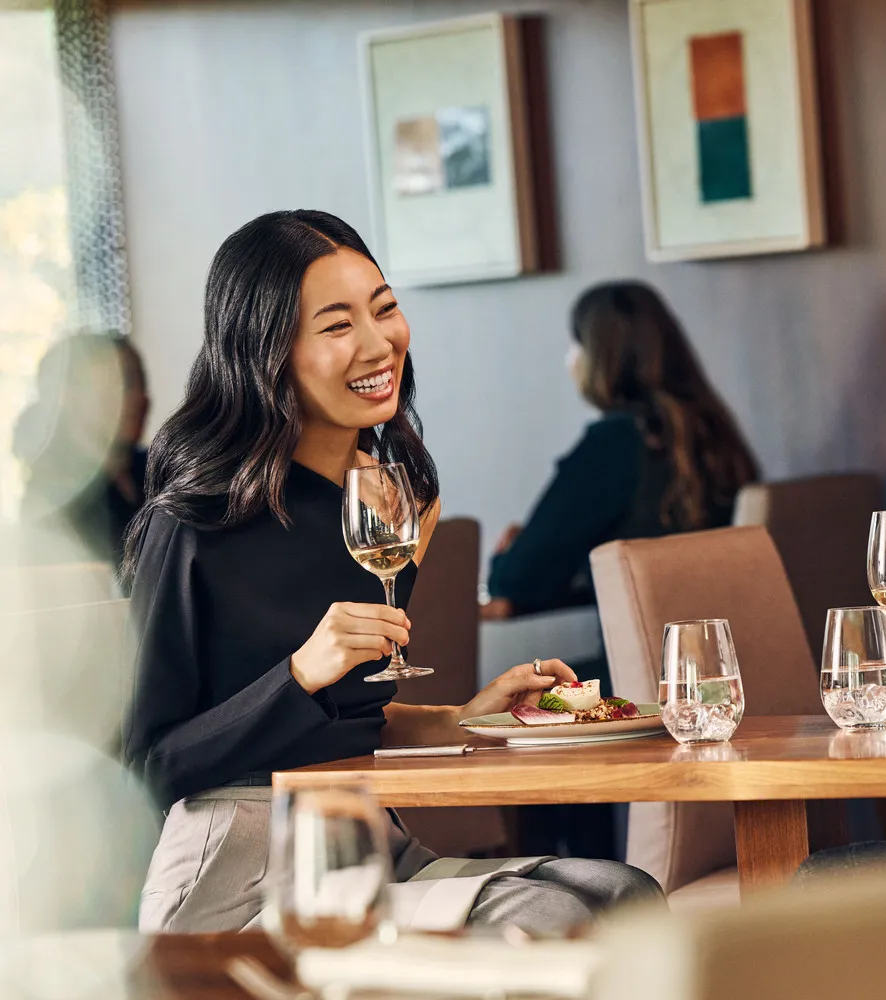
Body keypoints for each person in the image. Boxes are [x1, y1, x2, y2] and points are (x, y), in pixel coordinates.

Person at [120, 210, 661, 935]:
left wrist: (465, 717)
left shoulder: (393, 498)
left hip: (361, 843)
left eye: (385, 309)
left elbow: (344, 725)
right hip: (232, 874)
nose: (380, 344)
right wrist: (300, 673)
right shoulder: (192, 521)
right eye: (338, 325)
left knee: (622, 894)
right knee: (549, 913)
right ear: (266, 351)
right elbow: (146, 768)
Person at [483, 280, 759, 620]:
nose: (571, 358)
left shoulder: (614, 444)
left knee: (508, 675)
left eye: (577, 343)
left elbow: (517, 582)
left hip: (638, 668)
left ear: (600, 357)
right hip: (723, 658)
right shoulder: (714, 433)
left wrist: (506, 554)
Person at [14, 332, 150, 571]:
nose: (140, 398)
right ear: (67, 397)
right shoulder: (53, 501)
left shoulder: (161, 472)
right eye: (123, 383)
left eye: (141, 382)